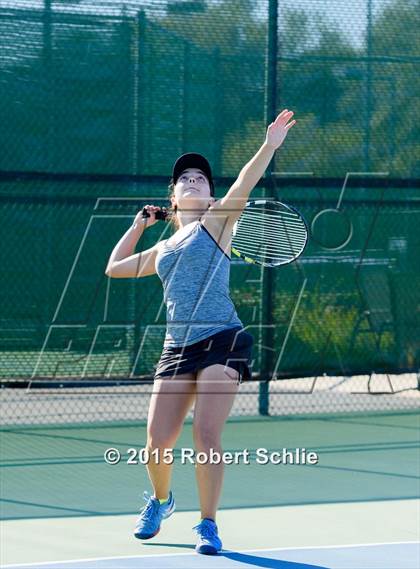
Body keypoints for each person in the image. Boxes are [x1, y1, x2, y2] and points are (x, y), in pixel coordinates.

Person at [105, 109, 296, 555]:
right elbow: (114, 268)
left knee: (205, 436)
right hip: (177, 349)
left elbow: (245, 184)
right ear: (173, 196)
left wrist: (268, 144)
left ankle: (208, 525)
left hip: (222, 341)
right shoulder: (163, 248)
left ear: (211, 197)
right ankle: (161, 499)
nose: (193, 179)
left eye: (201, 178)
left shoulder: (217, 224)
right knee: (156, 443)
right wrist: (139, 226)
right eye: (184, 177)